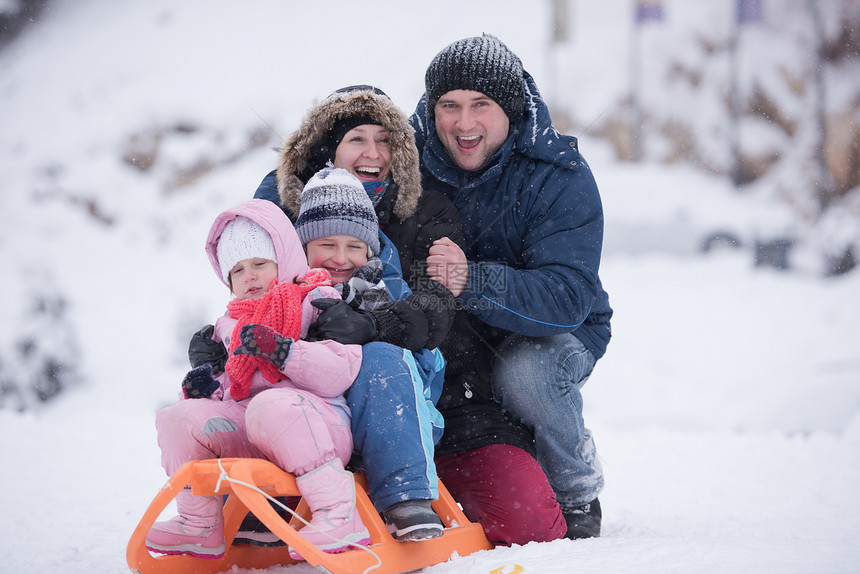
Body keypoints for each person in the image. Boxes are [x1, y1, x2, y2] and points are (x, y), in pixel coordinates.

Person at [409, 34, 614, 545]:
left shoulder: (557, 173)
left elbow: (567, 296)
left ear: (511, 107)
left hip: (556, 329)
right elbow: (322, 167)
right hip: (455, 336)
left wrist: (471, 280)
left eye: (481, 105)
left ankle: (574, 487)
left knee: (525, 375)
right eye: (449, 106)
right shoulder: (405, 154)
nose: (463, 122)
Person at [240, 85, 466, 541]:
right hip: (316, 401)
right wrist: (222, 339)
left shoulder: (387, 262)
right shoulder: (283, 227)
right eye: (357, 138)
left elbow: (425, 307)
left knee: (380, 362)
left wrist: (369, 325)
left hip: (391, 398)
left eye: (384, 140)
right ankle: (258, 499)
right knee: (266, 370)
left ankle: (406, 497)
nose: (373, 153)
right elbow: (248, 293)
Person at [146, 198, 369, 560]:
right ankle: (198, 523)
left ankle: (338, 513)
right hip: (250, 428)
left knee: (270, 405)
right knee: (177, 418)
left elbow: (340, 371)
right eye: (237, 270)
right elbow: (230, 388)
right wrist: (203, 388)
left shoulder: (316, 300)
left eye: (259, 264)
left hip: (317, 424)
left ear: (283, 261)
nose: (249, 276)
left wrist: (285, 353)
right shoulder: (228, 326)